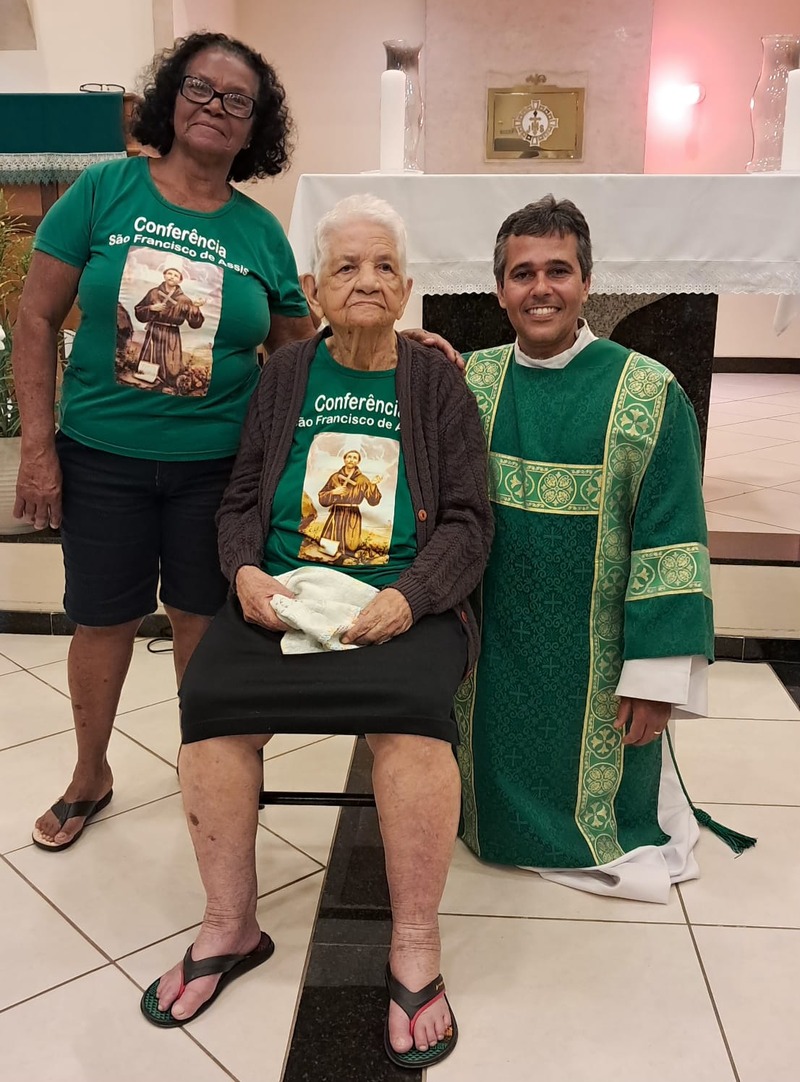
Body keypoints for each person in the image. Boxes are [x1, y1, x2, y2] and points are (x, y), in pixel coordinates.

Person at [14, 33, 455, 854]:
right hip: (102, 456)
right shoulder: (104, 190)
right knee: (101, 619)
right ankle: (88, 773)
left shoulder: (258, 233)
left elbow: (304, 345)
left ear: (257, 125)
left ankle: (205, 770)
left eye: (238, 100)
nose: (216, 108)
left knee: (197, 619)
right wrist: (37, 447)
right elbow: (35, 316)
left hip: (216, 469)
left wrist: (394, 339)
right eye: (200, 89)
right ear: (170, 98)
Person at [139, 194, 493, 1071]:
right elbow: (239, 500)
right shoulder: (285, 375)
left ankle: (414, 941)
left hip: (402, 601)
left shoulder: (437, 383)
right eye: (346, 267)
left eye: (383, 267)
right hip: (286, 596)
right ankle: (230, 923)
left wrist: (412, 596)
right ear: (314, 289)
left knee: (414, 723)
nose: (366, 281)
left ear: (406, 289)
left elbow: (467, 521)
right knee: (210, 708)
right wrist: (245, 574)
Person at [457, 195, 718, 904]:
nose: (540, 289)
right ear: (499, 289)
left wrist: (657, 680)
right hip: (494, 654)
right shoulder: (469, 381)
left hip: (599, 662)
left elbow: (672, 542)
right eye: (522, 274)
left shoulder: (647, 392)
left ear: (587, 283)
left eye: (558, 271)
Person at [133, 259, 206, 389]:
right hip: (154, 330)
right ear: (164, 274)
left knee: (170, 365)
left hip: (171, 335)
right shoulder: (153, 293)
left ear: (180, 280)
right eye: (169, 273)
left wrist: (195, 308)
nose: (172, 277)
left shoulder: (184, 300)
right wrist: (151, 308)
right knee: (149, 362)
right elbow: (139, 310)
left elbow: (195, 324)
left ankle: (169, 384)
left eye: (176, 275)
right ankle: (147, 382)